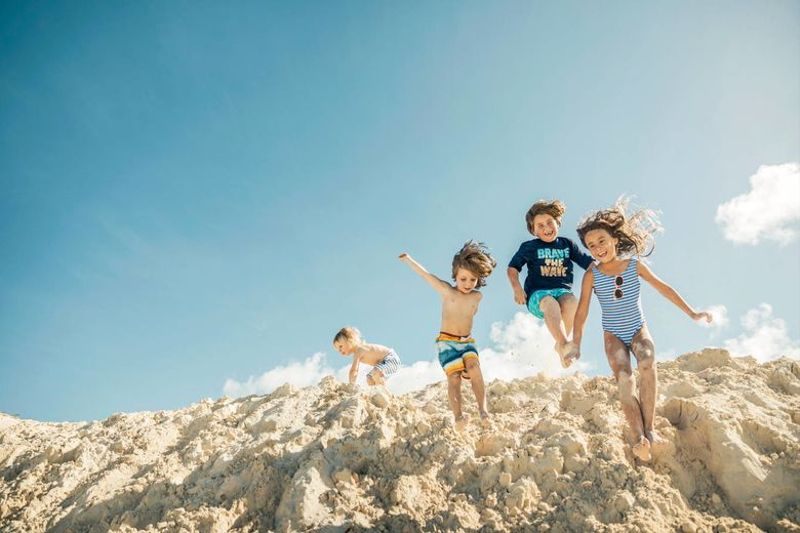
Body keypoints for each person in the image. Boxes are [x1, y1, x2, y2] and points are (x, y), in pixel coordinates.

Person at [570, 200, 712, 461]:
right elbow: (582, 312)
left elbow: (664, 289)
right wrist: (576, 343)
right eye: (591, 245)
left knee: (647, 361)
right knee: (625, 380)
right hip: (613, 335)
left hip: (637, 329)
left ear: (614, 239)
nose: (598, 248)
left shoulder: (635, 266)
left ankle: (650, 429)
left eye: (601, 240)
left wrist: (692, 312)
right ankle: (638, 438)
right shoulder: (592, 275)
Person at [399, 241, 496, 431]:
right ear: (455, 276)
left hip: (467, 341)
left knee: (475, 368)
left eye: (473, 280)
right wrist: (408, 260)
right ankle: (458, 417)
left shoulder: (477, 297)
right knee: (454, 378)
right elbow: (426, 275)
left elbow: (470, 314)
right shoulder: (447, 291)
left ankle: (483, 411)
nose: (468, 284)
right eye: (463, 279)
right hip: (447, 343)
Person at [507, 199, 594, 367]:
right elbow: (512, 269)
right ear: (533, 230)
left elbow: (588, 263)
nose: (546, 228)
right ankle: (563, 344)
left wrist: (603, 276)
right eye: (540, 226)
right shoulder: (529, 247)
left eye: (549, 222)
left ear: (557, 222)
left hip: (562, 292)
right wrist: (516, 288)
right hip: (537, 295)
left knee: (571, 302)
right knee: (550, 303)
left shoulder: (567, 244)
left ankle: (563, 343)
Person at [333, 326, 401, 386]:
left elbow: (354, 370)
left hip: (391, 358)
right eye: (338, 350)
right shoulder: (356, 354)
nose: (340, 351)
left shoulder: (359, 349)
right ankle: (377, 393)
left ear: (350, 340)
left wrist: (351, 384)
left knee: (375, 373)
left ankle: (384, 393)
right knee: (369, 378)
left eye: (341, 346)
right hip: (382, 363)